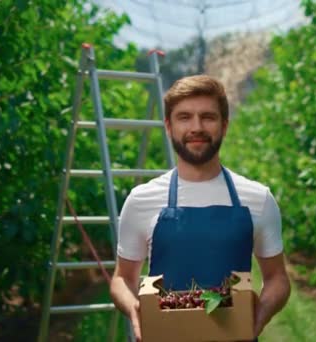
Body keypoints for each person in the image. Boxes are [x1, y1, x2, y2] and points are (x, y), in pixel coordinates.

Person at [110, 75, 291, 341]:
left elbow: (277, 278)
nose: (197, 127)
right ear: (169, 127)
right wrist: (136, 310)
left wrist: (258, 318)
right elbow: (122, 279)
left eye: (208, 117)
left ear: (225, 125)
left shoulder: (257, 199)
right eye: (184, 117)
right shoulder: (141, 200)